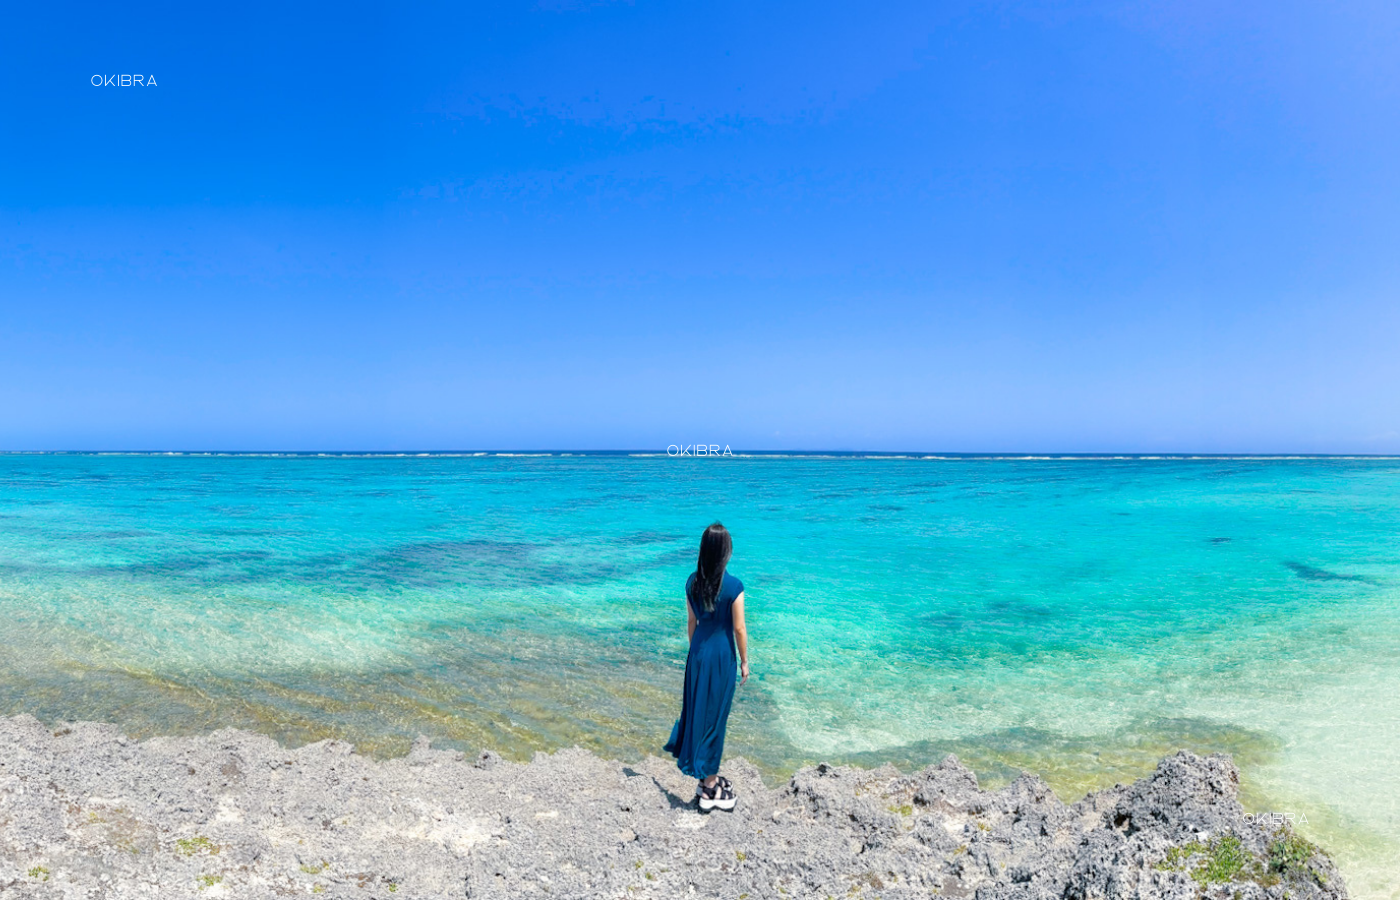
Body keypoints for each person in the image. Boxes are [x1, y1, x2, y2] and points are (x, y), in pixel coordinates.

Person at [664, 522, 749, 811]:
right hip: (721, 658)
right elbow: (739, 628)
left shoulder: (691, 583)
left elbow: (692, 623)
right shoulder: (734, 586)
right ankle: (709, 790)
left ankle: (706, 774)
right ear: (726, 552)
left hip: (698, 654)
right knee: (715, 721)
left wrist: (695, 652)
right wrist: (745, 662)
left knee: (699, 715)